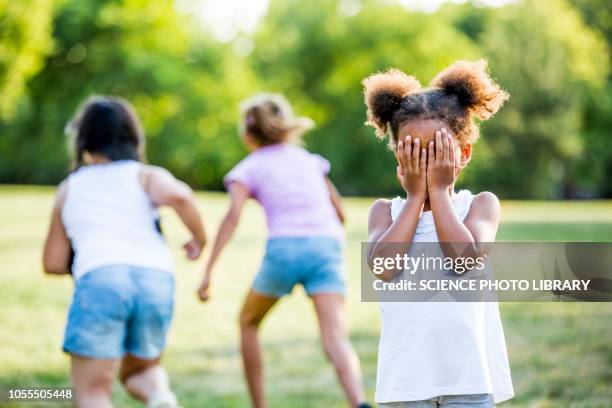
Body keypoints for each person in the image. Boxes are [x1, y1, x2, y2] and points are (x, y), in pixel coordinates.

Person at [197, 93, 371, 408]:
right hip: (326, 246)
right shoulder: (309, 161)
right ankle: (358, 401)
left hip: (284, 248)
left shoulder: (248, 167)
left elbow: (231, 218)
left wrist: (208, 271)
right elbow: (340, 213)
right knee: (335, 335)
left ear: (248, 134)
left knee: (248, 322)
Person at [364, 60, 515, 407]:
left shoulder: (479, 206)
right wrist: (416, 197)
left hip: (469, 379)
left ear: (462, 154)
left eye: (438, 152)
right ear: (399, 158)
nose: (426, 165)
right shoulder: (384, 213)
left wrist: (441, 195)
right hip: (405, 383)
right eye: (415, 153)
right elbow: (383, 268)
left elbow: (464, 261)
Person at [42, 96, 206, 408]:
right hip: (156, 280)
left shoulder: (70, 187)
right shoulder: (145, 175)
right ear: (133, 136)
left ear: (82, 139)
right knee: (141, 372)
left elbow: (52, 263)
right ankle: (160, 397)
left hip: (102, 278)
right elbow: (180, 197)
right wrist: (200, 239)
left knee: (92, 392)